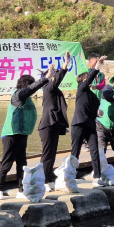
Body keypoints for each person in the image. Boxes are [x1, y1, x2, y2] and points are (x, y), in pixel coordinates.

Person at [0, 69, 50, 200]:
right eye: (30, 85)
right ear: (25, 85)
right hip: (11, 133)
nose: (33, 90)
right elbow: (30, 89)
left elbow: (33, 89)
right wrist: (44, 78)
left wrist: (48, 76)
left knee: (22, 163)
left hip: (22, 133)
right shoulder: (18, 95)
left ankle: (21, 189)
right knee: (7, 162)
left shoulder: (27, 97)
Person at [71, 55, 106, 186]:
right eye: (87, 78)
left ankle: (97, 177)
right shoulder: (81, 88)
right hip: (79, 124)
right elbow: (90, 78)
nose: (89, 80)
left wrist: (97, 111)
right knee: (75, 151)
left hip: (90, 124)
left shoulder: (92, 95)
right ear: (82, 80)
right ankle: (71, 174)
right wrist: (98, 66)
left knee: (94, 150)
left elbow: (91, 106)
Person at [38, 51, 71, 191]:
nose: (55, 76)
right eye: (53, 75)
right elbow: (56, 80)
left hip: (55, 124)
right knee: (47, 154)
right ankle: (43, 180)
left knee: (52, 153)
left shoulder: (54, 90)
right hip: (47, 125)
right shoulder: (47, 88)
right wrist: (65, 65)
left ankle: (49, 178)